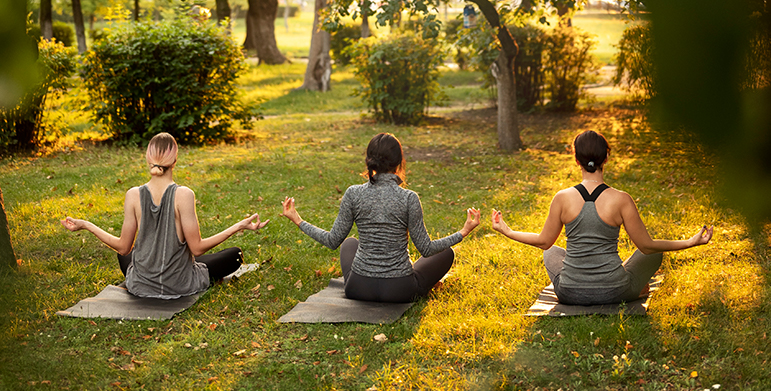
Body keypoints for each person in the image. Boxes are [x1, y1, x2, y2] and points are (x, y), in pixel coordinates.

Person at [491, 130, 713, 305]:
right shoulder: (621, 199)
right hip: (615, 291)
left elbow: (544, 241)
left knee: (550, 250)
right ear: (606, 157)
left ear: (576, 160)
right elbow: (647, 246)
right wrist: (691, 242)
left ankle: (610, 280)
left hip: (570, 293)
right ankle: (631, 286)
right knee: (654, 254)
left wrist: (507, 231)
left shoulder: (562, 198)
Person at [61, 132, 268, 299]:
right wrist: (238, 226)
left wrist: (86, 224)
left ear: (148, 160)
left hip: (140, 286)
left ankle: (154, 273)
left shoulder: (133, 195)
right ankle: (183, 268)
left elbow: (123, 248)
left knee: (126, 253)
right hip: (179, 284)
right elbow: (196, 247)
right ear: (175, 161)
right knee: (235, 255)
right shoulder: (184, 195)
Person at [281, 133, 481, 303]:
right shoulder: (409, 198)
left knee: (349, 243)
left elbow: (332, 240)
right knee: (446, 253)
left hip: (358, 289)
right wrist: (463, 231)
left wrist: (298, 220)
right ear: (399, 162)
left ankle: (369, 278)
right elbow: (426, 249)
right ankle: (416, 284)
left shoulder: (353, 194)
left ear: (369, 161)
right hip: (400, 290)